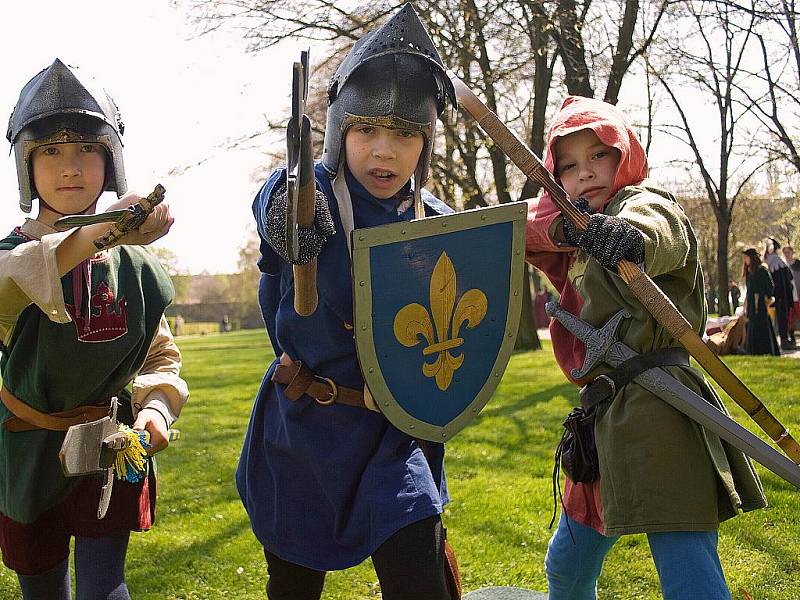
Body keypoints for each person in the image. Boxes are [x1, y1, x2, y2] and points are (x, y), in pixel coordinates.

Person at [236, 6, 459, 600]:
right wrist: (288, 216)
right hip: (307, 428)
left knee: (420, 581)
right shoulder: (309, 199)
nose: (384, 151)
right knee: (293, 587)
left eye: (405, 134)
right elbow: (275, 196)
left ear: (425, 142)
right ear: (339, 131)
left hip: (395, 436)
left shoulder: (435, 224)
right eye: (366, 129)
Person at [525, 96, 766, 599]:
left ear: (624, 154)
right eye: (568, 166)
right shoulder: (575, 231)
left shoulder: (644, 201)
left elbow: (657, 229)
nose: (585, 173)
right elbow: (523, 227)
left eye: (599, 155)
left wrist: (628, 240)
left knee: (688, 575)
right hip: (602, 421)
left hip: (662, 411)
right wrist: (565, 225)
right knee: (567, 567)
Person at [0, 59, 188, 600]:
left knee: (105, 588)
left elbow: (160, 357)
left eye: (87, 149)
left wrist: (155, 407)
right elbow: (28, 273)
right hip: (28, 454)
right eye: (51, 152)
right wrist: (103, 234)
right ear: (25, 165)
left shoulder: (138, 270)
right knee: (43, 591)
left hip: (109, 447)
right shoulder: (12, 259)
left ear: (111, 161)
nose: (70, 168)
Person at [742, 248, 780, 356]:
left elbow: (770, 286)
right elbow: (749, 291)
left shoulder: (762, 270)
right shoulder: (749, 272)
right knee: (752, 325)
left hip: (761, 304)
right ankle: (753, 351)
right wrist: (745, 306)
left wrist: (766, 298)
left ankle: (766, 350)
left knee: (762, 325)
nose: (745, 260)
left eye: (747, 257)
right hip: (751, 304)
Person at [763, 239, 795, 350]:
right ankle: (784, 339)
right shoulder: (776, 261)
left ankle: (785, 340)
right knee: (782, 318)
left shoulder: (774, 262)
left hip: (781, 296)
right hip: (781, 295)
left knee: (782, 319)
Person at [782, 245, 800, 344]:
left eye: (788, 252)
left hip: (797, 295)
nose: (787, 255)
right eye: (785, 253)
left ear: (792, 252)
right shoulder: (783, 266)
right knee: (790, 318)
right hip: (789, 297)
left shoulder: (798, 264)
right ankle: (792, 338)